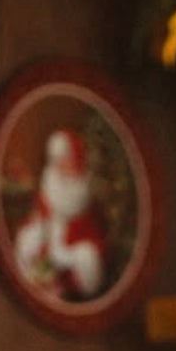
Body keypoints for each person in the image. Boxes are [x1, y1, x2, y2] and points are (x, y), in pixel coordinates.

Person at [13, 127, 109, 302]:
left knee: (88, 257)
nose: (62, 166)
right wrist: (39, 236)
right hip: (48, 252)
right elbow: (39, 217)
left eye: (67, 159)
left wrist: (70, 254)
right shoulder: (49, 186)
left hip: (75, 253)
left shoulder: (85, 193)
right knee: (27, 239)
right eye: (58, 160)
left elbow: (94, 231)